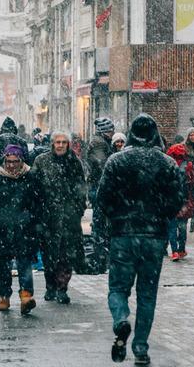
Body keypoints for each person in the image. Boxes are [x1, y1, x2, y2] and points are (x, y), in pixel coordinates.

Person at [96, 113, 183, 365]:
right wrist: (160, 216)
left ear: (131, 133)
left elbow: (102, 198)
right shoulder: (166, 163)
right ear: (155, 134)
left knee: (117, 289)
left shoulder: (116, 161)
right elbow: (177, 199)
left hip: (123, 235)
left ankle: (121, 320)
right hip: (153, 237)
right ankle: (141, 347)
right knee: (147, 295)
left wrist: (117, 217)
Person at [0, 144, 40, 314]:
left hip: (25, 228)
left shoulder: (30, 176)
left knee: (24, 263)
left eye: (15, 161)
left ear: (21, 161)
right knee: (4, 265)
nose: (12, 165)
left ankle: (26, 296)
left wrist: (35, 223)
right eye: (9, 161)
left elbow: (37, 203)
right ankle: (4, 297)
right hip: (3, 228)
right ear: (4, 160)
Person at [30, 131, 86, 304]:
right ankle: (50, 286)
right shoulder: (42, 161)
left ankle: (62, 287)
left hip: (69, 217)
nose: (60, 145)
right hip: (48, 216)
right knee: (49, 254)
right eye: (57, 142)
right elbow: (34, 186)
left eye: (63, 142)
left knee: (66, 254)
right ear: (52, 144)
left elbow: (80, 187)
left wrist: (78, 209)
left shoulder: (74, 162)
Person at [85, 117, 115, 273]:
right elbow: (102, 166)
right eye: (110, 130)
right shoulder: (99, 143)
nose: (112, 133)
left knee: (100, 223)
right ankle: (99, 259)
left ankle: (101, 256)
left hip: (98, 187)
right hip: (99, 188)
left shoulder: (101, 142)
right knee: (100, 224)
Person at [165, 143, 194, 261]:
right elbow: (192, 183)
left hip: (171, 200)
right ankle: (181, 249)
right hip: (184, 200)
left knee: (172, 227)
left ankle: (174, 251)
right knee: (182, 227)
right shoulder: (188, 165)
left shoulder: (168, 164)